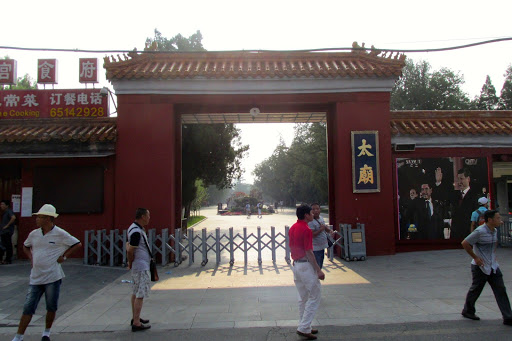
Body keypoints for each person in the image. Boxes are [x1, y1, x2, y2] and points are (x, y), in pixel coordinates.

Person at [12, 204, 81, 341]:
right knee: (28, 307)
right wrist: (31, 258)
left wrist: (64, 256)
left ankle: (46, 333)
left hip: (52, 277)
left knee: (51, 306)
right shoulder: (34, 234)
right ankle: (18, 336)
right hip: (36, 277)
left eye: (40, 217)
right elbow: (26, 247)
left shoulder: (60, 233)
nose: (37, 219)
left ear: (48, 219)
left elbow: (77, 243)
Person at [461, 210, 512, 325]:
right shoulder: (479, 232)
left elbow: (493, 245)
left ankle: (508, 316)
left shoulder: (494, 230)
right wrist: (476, 257)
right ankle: (468, 310)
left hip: (493, 266)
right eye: (498, 218)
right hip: (480, 267)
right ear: (490, 220)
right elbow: (465, 243)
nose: (500, 220)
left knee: (501, 290)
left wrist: (493, 256)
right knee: (476, 289)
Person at [289, 204, 325, 340]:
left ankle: (305, 325)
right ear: (306, 215)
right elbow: (309, 252)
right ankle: (304, 327)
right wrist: (318, 270)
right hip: (306, 266)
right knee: (315, 295)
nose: (313, 214)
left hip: (297, 265)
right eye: (311, 212)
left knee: (303, 297)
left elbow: (292, 245)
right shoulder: (306, 229)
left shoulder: (293, 227)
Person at [127, 208, 153, 332]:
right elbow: (130, 249)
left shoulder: (133, 228)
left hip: (139, 266)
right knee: (140, 294)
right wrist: (130, 262)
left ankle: (135, 317)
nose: (149, 218)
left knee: (135, 292)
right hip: (141, 267)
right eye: (148, 215)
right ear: (142, 216)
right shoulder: (136, 232)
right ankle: (136, 323)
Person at [307, 203, 333, 269]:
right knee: (316, 267)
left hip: (322, 247)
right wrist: (320, 230)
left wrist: (330, 231)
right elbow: (312, 235)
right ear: (310, 211)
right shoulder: (311, 222)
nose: (316, 211)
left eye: (317, 209)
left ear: (320, 210)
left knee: (320, 265)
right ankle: (316, 278)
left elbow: (324, 227)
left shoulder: (321, 218)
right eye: (313, 209)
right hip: (315, 249)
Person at [1, 200, 16, 264]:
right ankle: (4, 259)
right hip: (3, 231)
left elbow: (13, 218)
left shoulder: (9, 211)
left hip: (7, 231)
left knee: (8, 245)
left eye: (3, 204)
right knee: (3, 245)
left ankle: (8, 259)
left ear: (7, 206)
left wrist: (7, 225)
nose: (1, 206)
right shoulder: (4, 212)